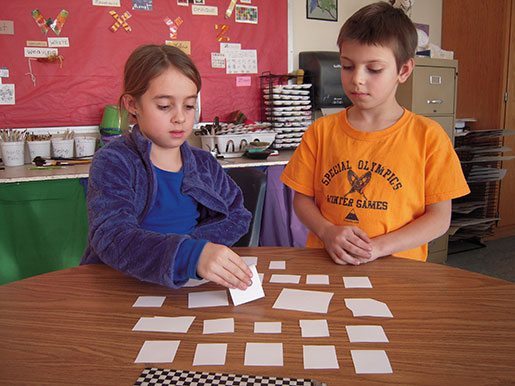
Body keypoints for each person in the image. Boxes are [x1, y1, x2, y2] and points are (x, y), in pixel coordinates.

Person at [281, 2, 470, 265]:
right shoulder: (321, 131)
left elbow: (439, 218)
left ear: (403, 70)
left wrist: (379, 247)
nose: (357, 78)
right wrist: (326, 232)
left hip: (398, 271)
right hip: (328, 262)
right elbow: (302, 200)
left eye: (374, 69)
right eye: (347, 66)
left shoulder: (429, 137)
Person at [81, 44, 253, 290]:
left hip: (187, 286)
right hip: (120, 286)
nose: (180, 118)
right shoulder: (114, 161)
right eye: (164, 106)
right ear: (132, 105)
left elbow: (238, 215)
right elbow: (112, 236)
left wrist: (198, 251)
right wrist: (188, 254)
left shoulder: (205, 163)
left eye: (189, 106)